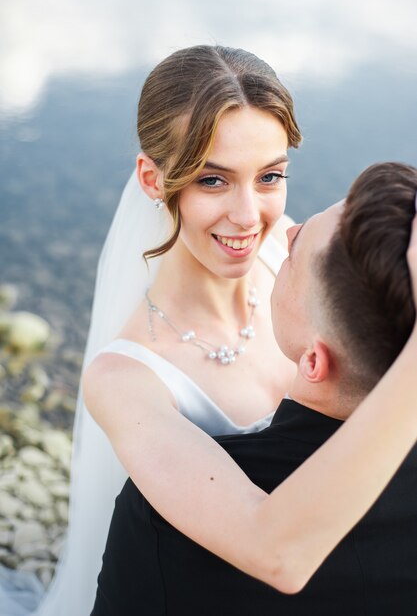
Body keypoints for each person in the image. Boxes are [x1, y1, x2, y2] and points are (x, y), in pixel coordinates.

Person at [20, 45, 302, 616]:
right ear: (152, 177)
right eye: (213, 181)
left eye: (269, 176)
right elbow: (268, 550)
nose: (251, 217)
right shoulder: (126, 377)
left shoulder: (289, 252)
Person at [90, 162, 417, 615]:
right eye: (213, 179)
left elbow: (277, 553)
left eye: (295, 254)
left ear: (313, 361)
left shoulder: (160, 523)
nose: (283, 231)